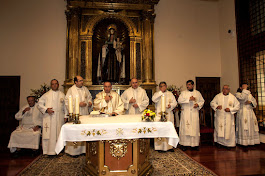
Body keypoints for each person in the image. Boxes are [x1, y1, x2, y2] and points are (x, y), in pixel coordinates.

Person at [65, 76, 93, 156]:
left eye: (82, 80)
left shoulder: (85, 89)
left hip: (84, 113)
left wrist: (89, 103)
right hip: (75, 113)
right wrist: (77, 104)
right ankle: (74, 151)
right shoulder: (71, 90)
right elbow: (67, 102)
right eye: (80, 81)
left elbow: (89, 98)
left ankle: (84, 150)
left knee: (84, 130)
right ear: (75, 82)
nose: (82, 82)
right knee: (76, 130)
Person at [37, 79, 66, 155]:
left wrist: (66, 115)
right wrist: (46, 110)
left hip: (59, 117)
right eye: (53, 84)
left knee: (59, 134)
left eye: (56, 84)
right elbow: (39, 104)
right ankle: (49, 151)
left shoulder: (62, 95)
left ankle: (59, 151)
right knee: (49, 134)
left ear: (58, 85)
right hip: (49, 117)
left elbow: (66, 106)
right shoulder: (46, 95)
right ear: (51, 85)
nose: (54, 85)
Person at [178, 80, 204, 151]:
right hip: (186, 113)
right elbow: (179, 100)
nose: (187, 86)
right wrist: (188, 99)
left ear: (193, 85)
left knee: (194, 128)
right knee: (185, 128)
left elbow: (202, 101)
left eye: (189, 85)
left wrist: (197, 105)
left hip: (194, 113)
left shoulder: (197, 93)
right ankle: (184, 144)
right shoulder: (183, 93)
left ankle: (194, 144)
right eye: (187, 85)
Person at [152, 82, 177, 152]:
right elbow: (153, 99)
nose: (163, 87)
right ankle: (160, 147)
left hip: (168, 113)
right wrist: (161, 93)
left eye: (164, 86)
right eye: (161, 86)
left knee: (169, 129)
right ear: (159, 87)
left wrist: (171, 105)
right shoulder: (157, 94)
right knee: (160, 130)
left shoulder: (170, 94)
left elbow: (175, 102)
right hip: (160, 114)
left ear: (166, 86)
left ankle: (169, 146)